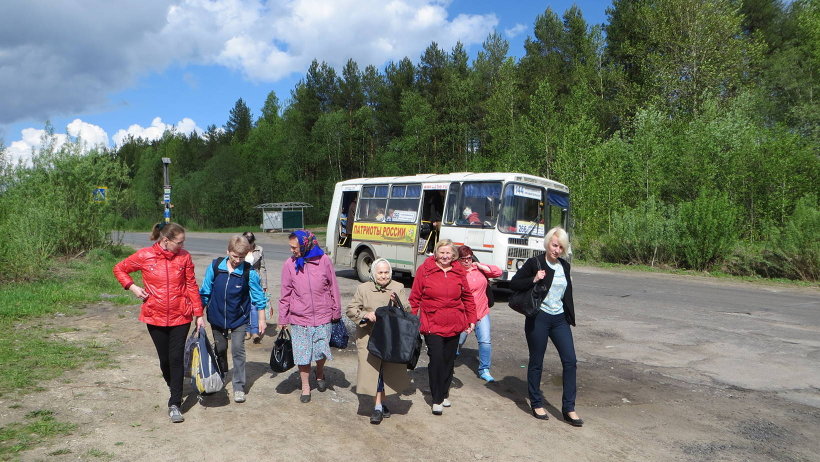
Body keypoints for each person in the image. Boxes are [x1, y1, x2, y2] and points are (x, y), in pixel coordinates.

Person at [113, 222, 204, 424]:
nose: (182, 246)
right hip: (155, 315)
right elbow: (119, 269)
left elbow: (191, 284)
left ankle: (174, 403)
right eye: (179, 242)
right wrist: (132, 287)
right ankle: (175, 387)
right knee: (165, 360)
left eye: (183, 242)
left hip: (181, 315)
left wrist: (199, 313)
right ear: (165, 240)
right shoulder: (145, 256)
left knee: (176, 358)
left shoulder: (184, 257)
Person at [509, 227, 583, 426]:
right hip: (539, 317)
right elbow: (514, 284)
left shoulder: (564, 267)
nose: (557, 250)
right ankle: (536, 402)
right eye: (554, 245)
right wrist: (534, 279)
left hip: (559, 319)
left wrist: (569, 316)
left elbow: (566, 294)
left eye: (561, 247)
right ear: (547, 243)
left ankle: (569, 408)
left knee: (570, 361)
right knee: (537, 361)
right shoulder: (535, 263)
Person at [409, 239, 477, 415]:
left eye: (449, 253)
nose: (445, 256)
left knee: (448, 360)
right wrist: (411, 320)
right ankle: (437, 398)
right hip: (432, 322)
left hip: (454, 322)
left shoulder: (458, 271)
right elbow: (415, 297)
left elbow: (468, 297)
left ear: (453, 255)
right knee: (437, 359)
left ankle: (444, 392)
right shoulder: (424, 270)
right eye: (442, 252)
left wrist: (471, 319)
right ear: (436, 253)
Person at [199, 235, 267, 404]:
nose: (237, 260)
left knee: (237, 350)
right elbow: (205, 291)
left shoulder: (249, 272)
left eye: (242, 257)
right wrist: (199, 315)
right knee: (220, 348)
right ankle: (222, 374)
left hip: (239, 318)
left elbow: (259, 296)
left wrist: (261, 318)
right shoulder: (215, 267)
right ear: (227, 251)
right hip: (216, 316)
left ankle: (238, 386)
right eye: (234, 256)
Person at [278, 230, 342, 403]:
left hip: (323, 315)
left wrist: (336, 311)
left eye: (294, 247)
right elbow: (285, 293)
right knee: (302, 354)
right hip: (300, 318)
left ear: (305, 244)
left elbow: (333, 287)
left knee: (321, 352)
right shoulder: (289, 265)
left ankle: (319, 373)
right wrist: (283, 318)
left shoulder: (324, 261)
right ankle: (306, 386)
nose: (292, 250)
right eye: (291, 247)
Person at [346, 258, 411, 424]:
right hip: (369, 337)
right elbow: (351, 309)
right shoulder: (363, 288)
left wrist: (398, 304)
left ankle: (380, 404)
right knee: (374, 373)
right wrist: (365, 315)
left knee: (387, 372)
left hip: (391, 338)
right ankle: (378, 407)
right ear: (374, 273)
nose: (384, 276)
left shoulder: (398, 287)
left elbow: (407, 310)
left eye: (386, 272)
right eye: (380, 272)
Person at [456, 245, 502, 382]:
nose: (466, 261)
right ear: (458, 260)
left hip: (482, 311)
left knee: (485, 341)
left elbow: (498, 272)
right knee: (459, 339)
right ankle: (452, 354)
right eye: (463, 259)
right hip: (465, 313)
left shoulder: (478, 269)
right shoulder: (457, 273)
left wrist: (481, 266)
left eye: (469, 258)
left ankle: (484, 369)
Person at [242, 231, 268, 343]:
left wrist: (264, 284)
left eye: (251, 243)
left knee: (254, 306)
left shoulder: (259, 250)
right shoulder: (240, 249)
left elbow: (262, 267)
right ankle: (246, 330)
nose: (249, 245)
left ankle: (254, 332)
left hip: (255, 281)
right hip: (242, 280)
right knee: (244, 304)